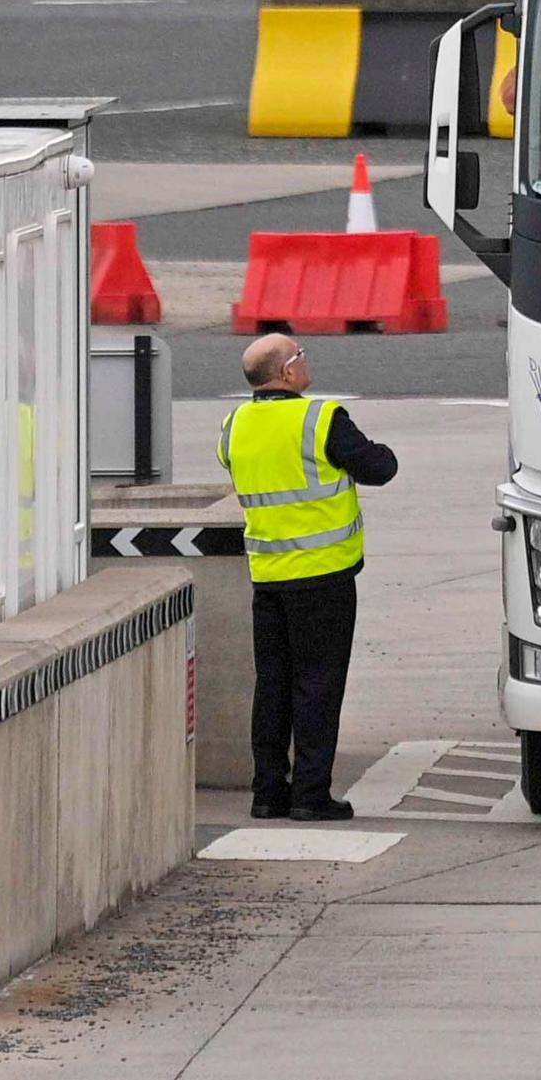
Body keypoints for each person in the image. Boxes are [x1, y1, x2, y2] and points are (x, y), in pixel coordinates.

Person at [219, 333, 398, 820]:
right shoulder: (320, 419)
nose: (305, 360)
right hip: (323, 577)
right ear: (287, 373)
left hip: (268, 577)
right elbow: (379, 469)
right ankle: (310, 794)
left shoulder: (234, 425)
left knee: (272, 684)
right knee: (318, 685)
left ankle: (268, 792)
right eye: (300, 354)